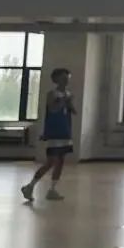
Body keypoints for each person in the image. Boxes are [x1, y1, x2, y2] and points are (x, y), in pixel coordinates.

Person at [21, 68, 76, 202]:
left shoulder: (68, 94)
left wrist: (70, 103)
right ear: (56, 79)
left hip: (64, 132)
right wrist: (64, 100)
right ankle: (30, 186)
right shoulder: (52, 94)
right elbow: (53, 109)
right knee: (50, 162)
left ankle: (52, 189)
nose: (66, 80)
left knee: (60, 161)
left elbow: (72, 111)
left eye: (68, 78)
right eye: (63, 78)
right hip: (55, 132)